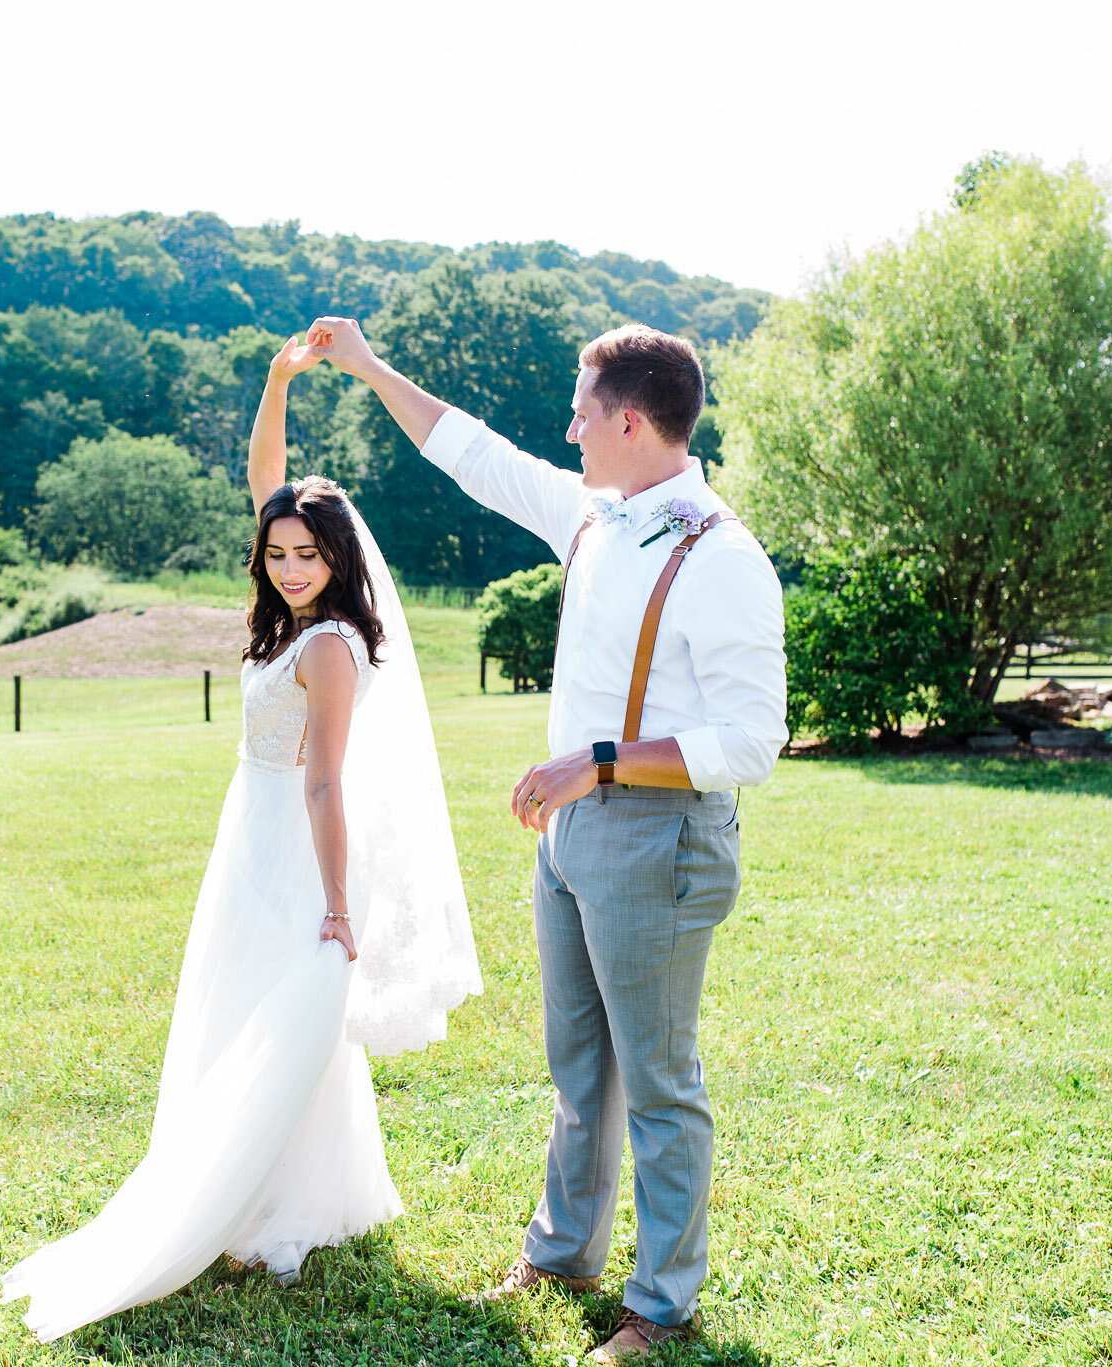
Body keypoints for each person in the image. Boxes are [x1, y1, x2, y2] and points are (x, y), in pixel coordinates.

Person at [304, 316, 787, 1363]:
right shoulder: (591, 516)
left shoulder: (719, 551)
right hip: (572, 836)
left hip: (656, 838)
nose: (565, 430)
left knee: (656, 1079)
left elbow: (753, 739)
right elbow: (472, 454)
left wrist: (598, 761)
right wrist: (371, 367)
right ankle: (563, 1251)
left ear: (624, 418)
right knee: (577, 1065)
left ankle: (660, 1305)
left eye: (579, 412)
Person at [0, 335, 482, 1341]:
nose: (292, 565)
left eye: (309, 554)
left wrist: (341, 904)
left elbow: (323, 781)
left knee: (282, 1020)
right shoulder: (283, 624)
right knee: (238, 1007)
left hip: (298, 855)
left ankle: (248, 1207)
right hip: (247, 835)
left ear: (339, 560)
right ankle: (300, 1192)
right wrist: (273, 382)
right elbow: (269, 480)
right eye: (278, 552)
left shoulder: (333, 648)